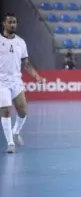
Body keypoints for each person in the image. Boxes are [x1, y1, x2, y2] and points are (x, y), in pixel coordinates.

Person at [0, 13, 42, 153]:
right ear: (4, 24)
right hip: (2, 82)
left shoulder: (21, 42)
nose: (13, 24)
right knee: (6, 109)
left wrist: (36, 75)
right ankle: (10, 143)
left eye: (15, 22)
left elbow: (26, 63)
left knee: (23, 111)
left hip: (16, 81)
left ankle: (16, 131)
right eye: (10, 22)